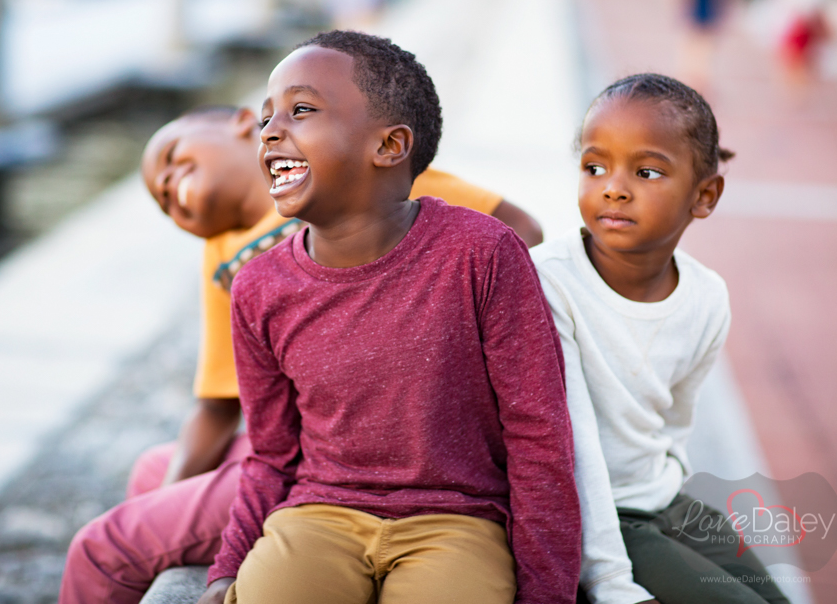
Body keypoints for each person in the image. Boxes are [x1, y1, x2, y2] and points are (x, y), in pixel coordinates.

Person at [57, 111, 545, 600]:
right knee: (151, 469)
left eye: (171, 157)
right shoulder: (226, 258)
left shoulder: (356, 184)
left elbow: (521, 232)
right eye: (160, 199)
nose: (165, 185)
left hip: (350, 453)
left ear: (244, 123)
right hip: (284, 442)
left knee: (103, 546)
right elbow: (218, 403)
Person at [201, 30, 579, 604]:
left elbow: (539, 435)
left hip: (458, 521)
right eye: (266, 118)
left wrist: (546, 592)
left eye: (301, 110)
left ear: (390, 145)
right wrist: (227, 571)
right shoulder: (258, 285)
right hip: (318, 515)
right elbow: (271, 453)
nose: (272, 131)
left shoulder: (482, 253)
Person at [532, 73, 788, 604]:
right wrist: (610, 583)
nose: (614, 186)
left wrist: (672, 497)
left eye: (646, 171)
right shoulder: (548, 281)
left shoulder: (707, 296)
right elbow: (570, 445)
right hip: (598, 513)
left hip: (665, 500)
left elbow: (676, 417)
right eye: (594, 166)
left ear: (704, 197)